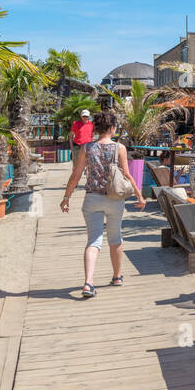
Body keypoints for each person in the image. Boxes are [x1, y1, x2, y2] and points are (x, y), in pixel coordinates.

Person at [59, 110, 145, 299]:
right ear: (113, 128)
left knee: (93, 241)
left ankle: (88, 283)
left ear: (96, 128)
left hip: (92, 199)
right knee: (115, 238)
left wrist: (66, 197)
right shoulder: (119, 148)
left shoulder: (86, 148)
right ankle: (117, 277)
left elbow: (76, 174)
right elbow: (128, 175)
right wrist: (139, 196)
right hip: (114, 199)